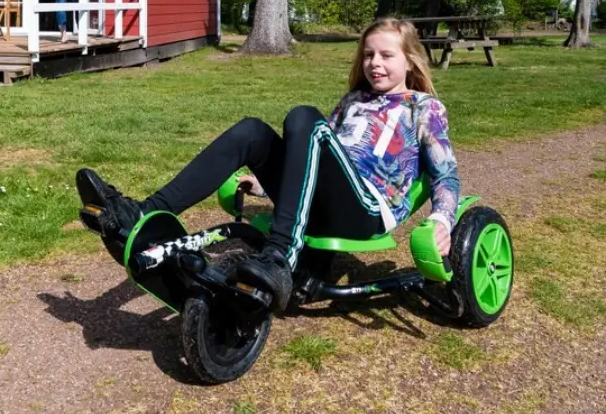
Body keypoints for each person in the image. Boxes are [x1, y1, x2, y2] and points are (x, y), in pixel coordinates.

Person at [75, 18, 460, 313]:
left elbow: (446, 174)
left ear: (410, 60)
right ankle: (141, 212)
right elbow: (315, 157)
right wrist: (261, 184)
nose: (374, 63)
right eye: (368, 54)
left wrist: (442, 219)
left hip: (365, 209)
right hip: (323, 200)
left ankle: (280, 255)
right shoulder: (353, 100)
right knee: (252, 132)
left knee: (304, 118)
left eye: (386, 55)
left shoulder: (423, 108)